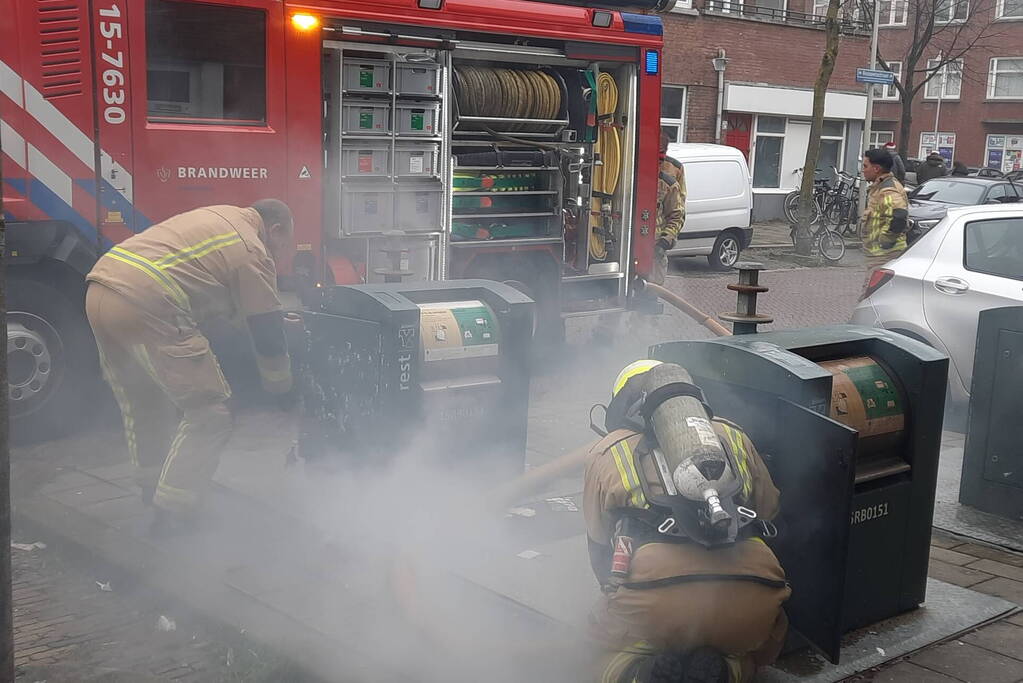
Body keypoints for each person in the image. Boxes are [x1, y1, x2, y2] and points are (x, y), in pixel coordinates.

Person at [86, 200, 296, 529]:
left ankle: (151, 485)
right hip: (148, 300)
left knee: (144, 401)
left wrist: (271, 318)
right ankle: (173, 512)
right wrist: (281, 388)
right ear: (276, 229)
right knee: (211, 413)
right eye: (285, 244)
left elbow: (222, 297)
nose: (281, 253)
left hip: (101, 290)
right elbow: (266, 330)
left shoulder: (222, 216)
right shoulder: (252, 248)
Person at [585, 360, 790, 683]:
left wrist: (617, 594)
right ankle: (727, 669)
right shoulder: (732, 434)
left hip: (651, 595)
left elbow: (598, 543)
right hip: (750, 587)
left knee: (595, 645)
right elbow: (770, 510)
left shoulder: (609, 450)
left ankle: (638, 671)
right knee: (758, 644)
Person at [860, 148, 910, 278]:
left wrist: (885, 242)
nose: (863, 170)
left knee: (873, 290)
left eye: (865, 166)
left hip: (884, 257)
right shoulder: (880, 187)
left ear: (876, 169)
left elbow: (899, 215)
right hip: (880, 257)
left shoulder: (887, 190)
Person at [653, 135, 685, 284]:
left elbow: (677, 213)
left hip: (655, 246)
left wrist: (664, 242)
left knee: (652, 289)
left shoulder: (672, 174)